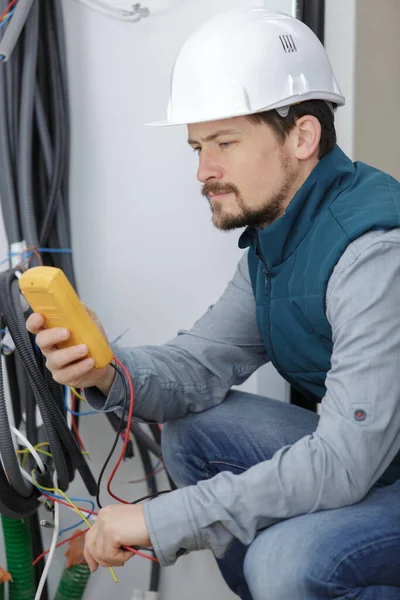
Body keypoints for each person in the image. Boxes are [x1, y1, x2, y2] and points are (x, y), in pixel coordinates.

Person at [26, 8, 400, 600]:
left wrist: (159, 518)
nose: (204, 170)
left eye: (225, 142)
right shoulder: (277, 241)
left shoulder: (374, 255)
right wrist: (103, 366)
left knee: (284, 562)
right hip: (381, 457)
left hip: (370, 461)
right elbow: (198, 367)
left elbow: (343, 464)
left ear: (302, 136)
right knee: (195, 432)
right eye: (198, 145)